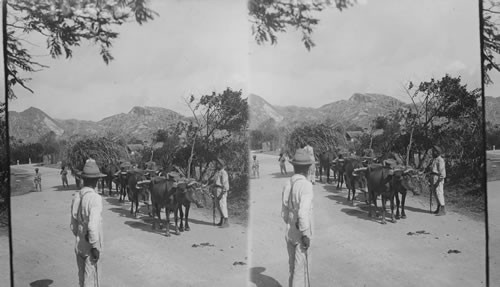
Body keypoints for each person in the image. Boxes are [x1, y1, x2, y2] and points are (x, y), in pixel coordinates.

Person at [70, 159, 105, 287]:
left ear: (84, 179)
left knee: (82, 278)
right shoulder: (95, 198)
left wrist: (80, 233)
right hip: (91, 246)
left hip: (79, 244)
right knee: (91, 280)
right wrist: (95, 247)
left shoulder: (77, 196)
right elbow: (92, 226)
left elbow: (73, 226)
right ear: (96, 180)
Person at [281, 149, 314, 287]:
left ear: (294, 167)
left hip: (290, 231)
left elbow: (283, 212)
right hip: (301, 231)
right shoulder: (306, 185)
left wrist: (291, 221)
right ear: (307, 168)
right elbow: (303, 213)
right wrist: (305, 234)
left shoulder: (288, 184)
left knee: (293, 266)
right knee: (301, 270)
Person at [430, 146, 447, 216]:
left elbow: (442, 172)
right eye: (433, 151)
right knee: (435, 193)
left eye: (435, 151)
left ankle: (443, 209)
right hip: (433, 177)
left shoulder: (440, 160)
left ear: (438, 152)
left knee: (439, 192)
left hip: (438, 178)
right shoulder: (434, 159)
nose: (433, 153)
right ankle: (438, 207)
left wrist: (439, 180)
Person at [214, 158, 230, 228]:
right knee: (218, 205)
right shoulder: (217, 172)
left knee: (222, 205)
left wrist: (222, 193)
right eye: (217, 163)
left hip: (221, 190)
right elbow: (214, 182)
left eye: (218, 164)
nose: (217, 165)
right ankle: (221, 220)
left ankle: (226, 222)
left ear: (221, 165)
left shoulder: (224, 173)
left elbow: (225, 184)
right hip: (216, 189)